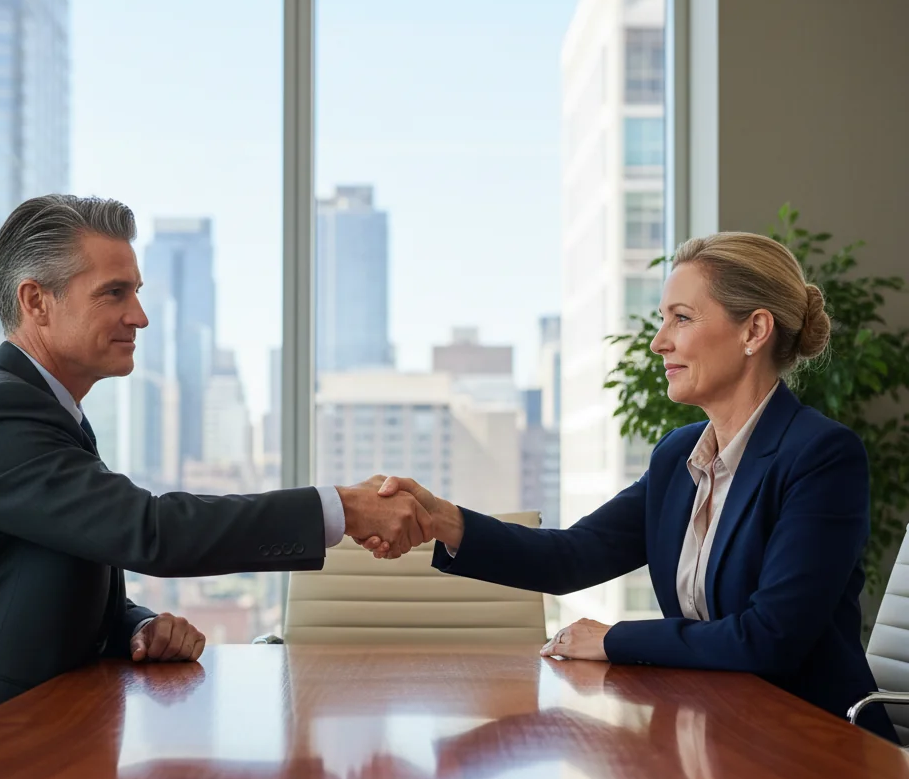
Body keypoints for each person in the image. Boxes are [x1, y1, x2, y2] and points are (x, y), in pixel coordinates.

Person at [0, 194, 431, 754]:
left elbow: (43, 581)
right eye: (114, 293)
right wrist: (341, 507)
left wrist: (135, 628)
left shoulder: (43, 412)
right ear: (36, 302)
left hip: (33, 734)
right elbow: (150, 531)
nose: (139, 316)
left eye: (136, 293)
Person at [364, 232, 897, 742]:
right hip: (714, 727)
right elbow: (571, 557)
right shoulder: (677, 458)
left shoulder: (821, 456)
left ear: (754, 331)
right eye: (662, 319)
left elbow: (769, 639)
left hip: (813, 748)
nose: (658, 341)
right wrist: (441, 518)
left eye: (681, 319)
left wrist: (612, 639)